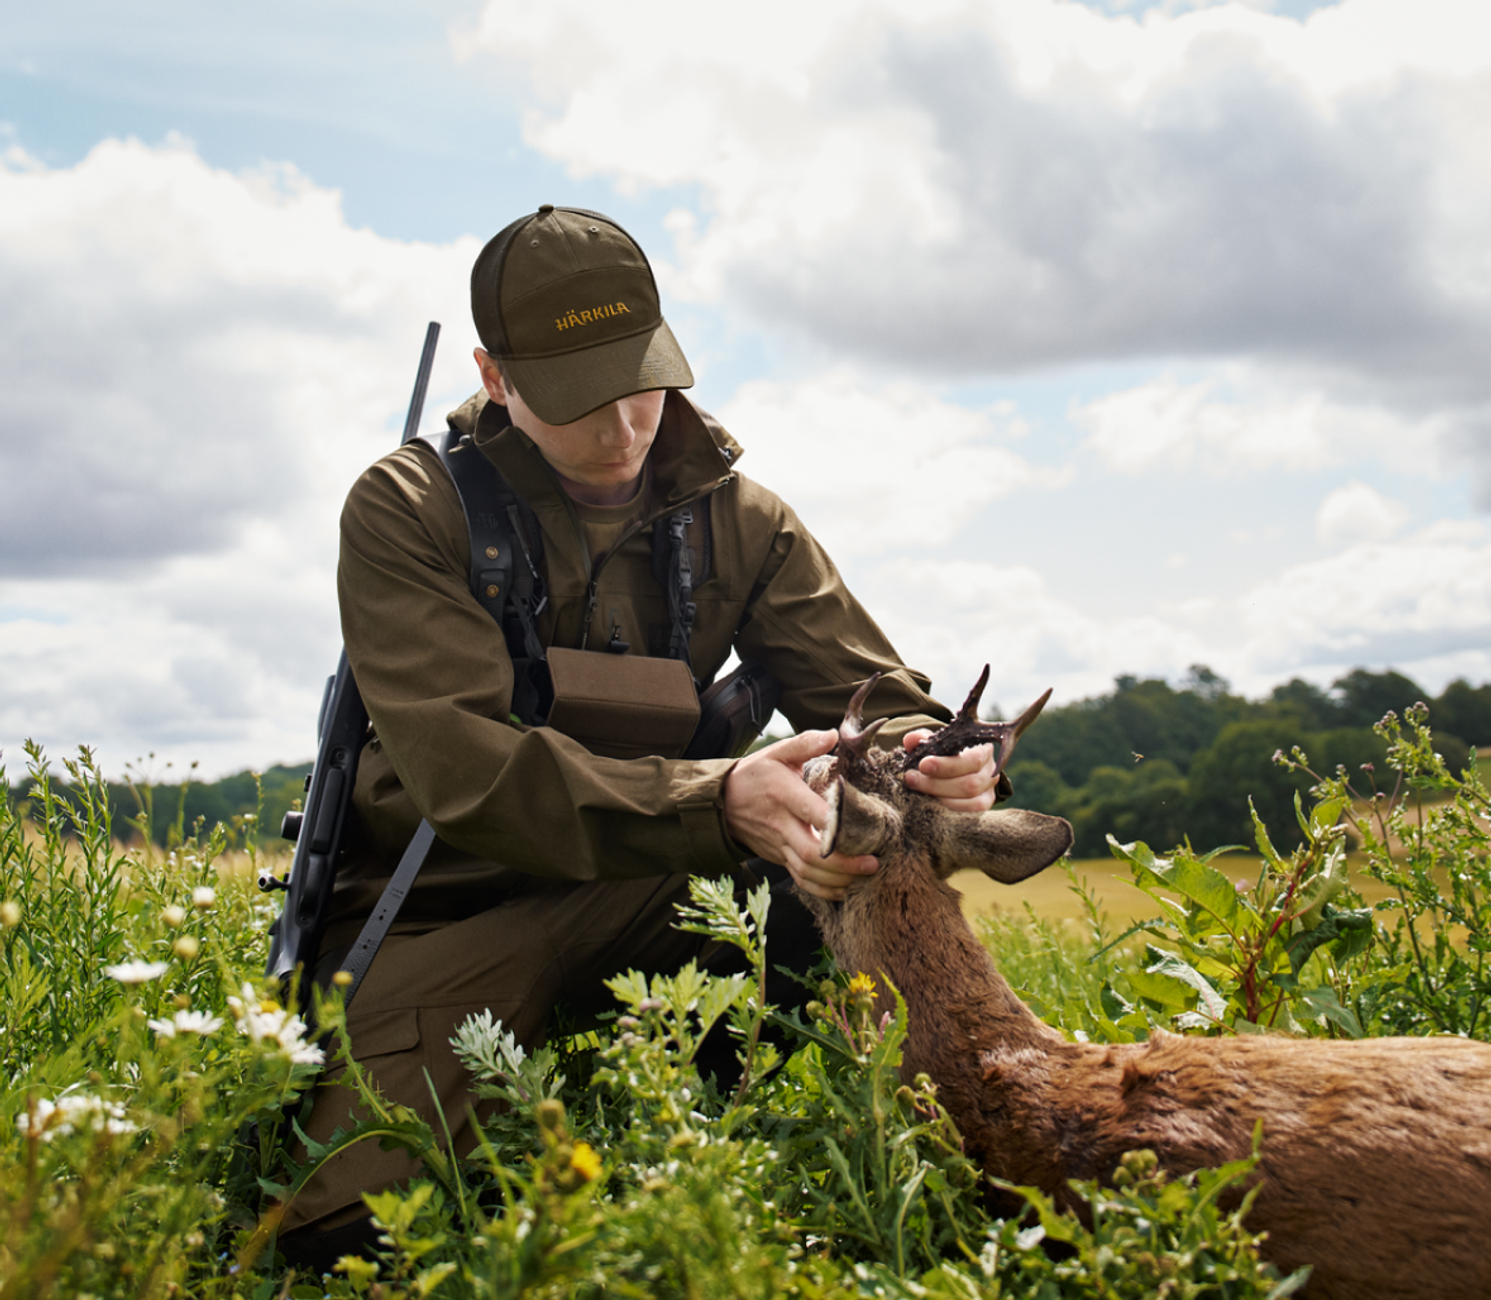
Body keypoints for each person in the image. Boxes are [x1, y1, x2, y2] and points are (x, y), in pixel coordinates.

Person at [275, 205, 999, 1269]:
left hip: (657, 891)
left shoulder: (742, 518)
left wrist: (927, 751)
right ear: (496, 376)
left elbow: (866, 690)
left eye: (644, 388)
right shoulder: (407, 509)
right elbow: (464, 774)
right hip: (446, 913)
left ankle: (860, 1134)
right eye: (579, 401)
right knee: (352, 1242)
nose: (622, 433)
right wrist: (715, 800)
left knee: (853, 863)